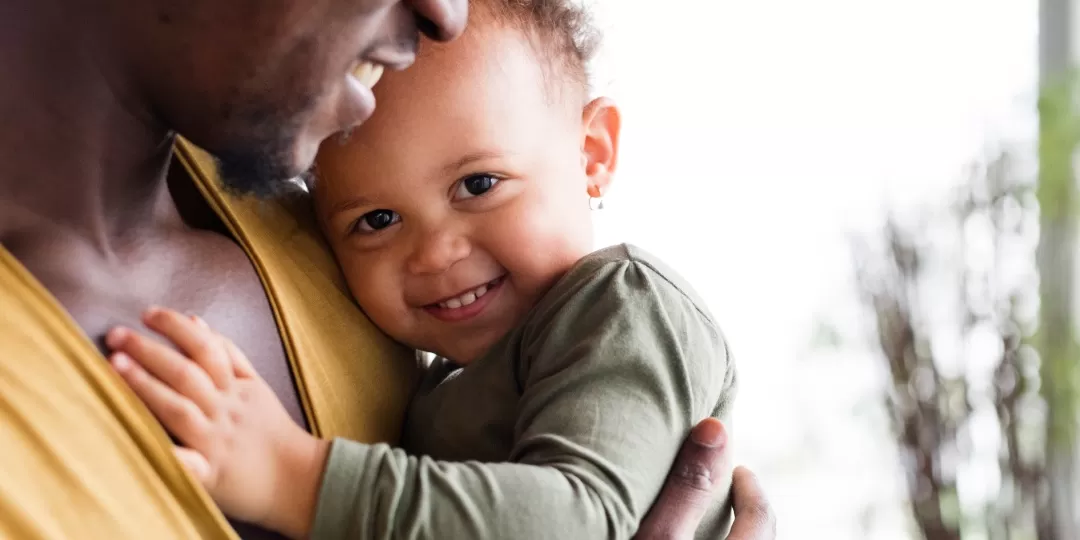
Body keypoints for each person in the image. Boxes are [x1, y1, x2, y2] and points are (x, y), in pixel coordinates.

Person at [0, 0, 775, 538]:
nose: (435, 254)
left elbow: (577, 517)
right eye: (377, 221)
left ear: (592, 153)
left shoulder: (618, 311)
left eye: (479, 185)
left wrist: (298, 479)